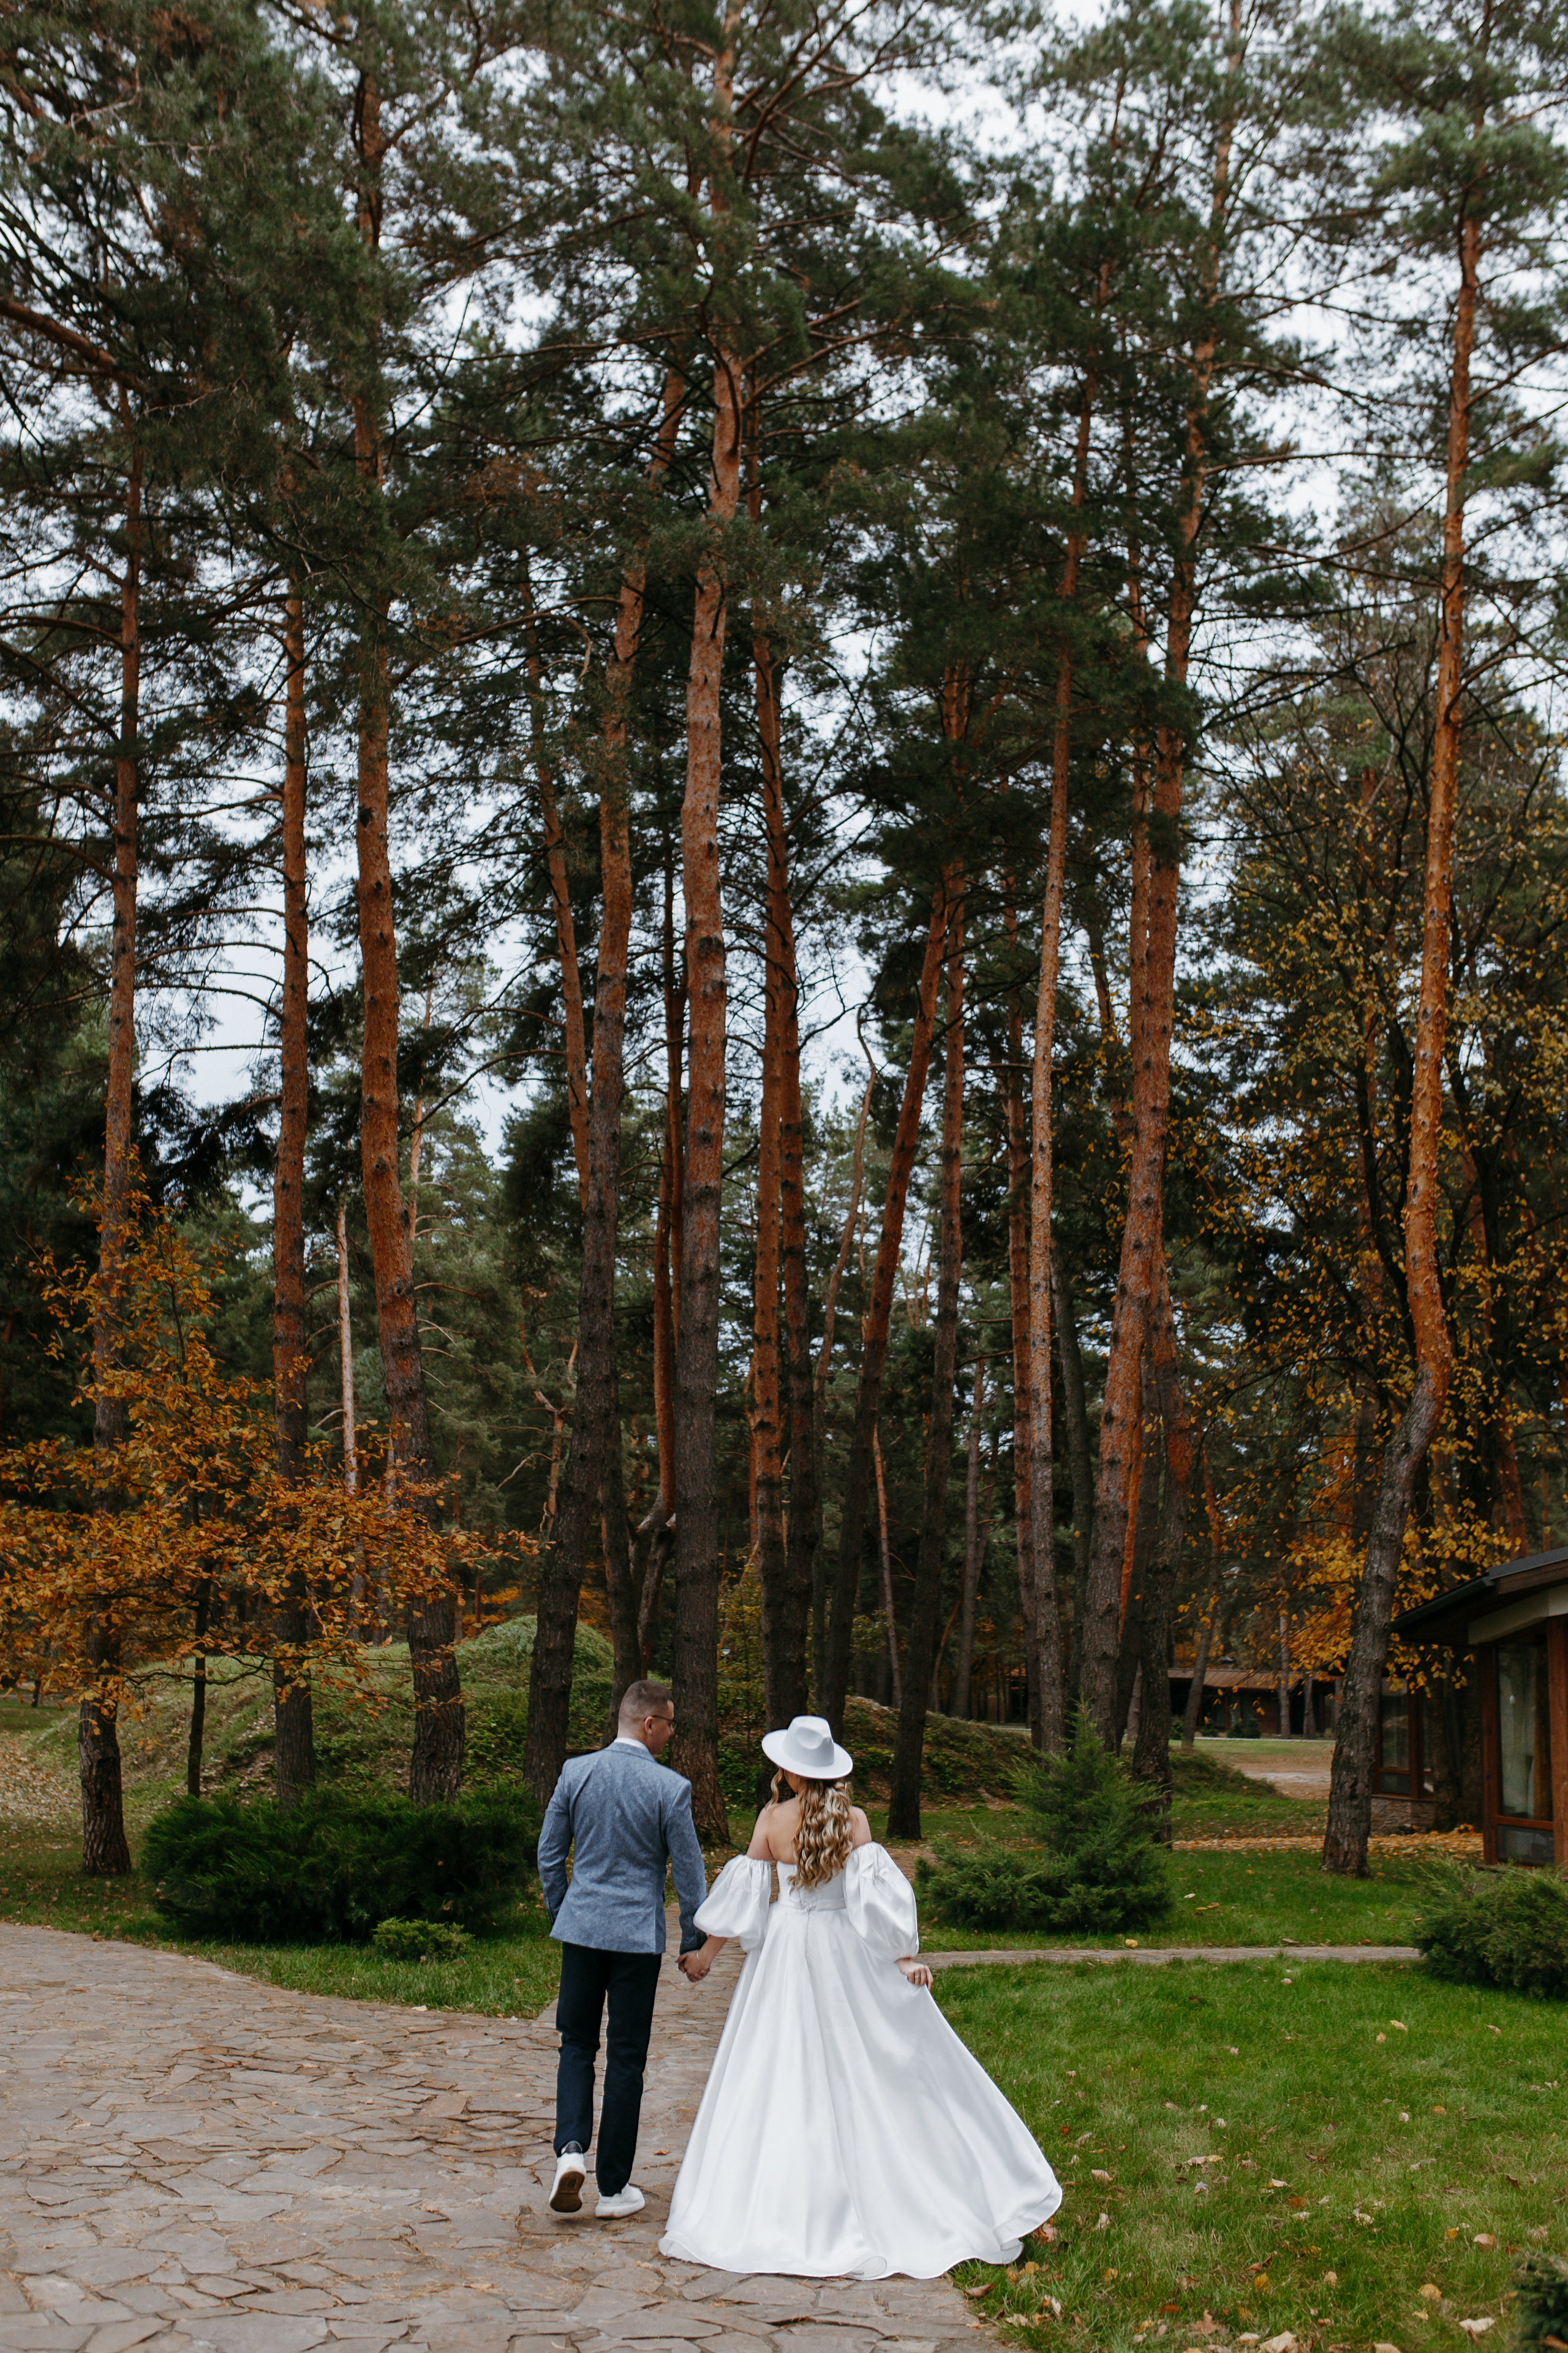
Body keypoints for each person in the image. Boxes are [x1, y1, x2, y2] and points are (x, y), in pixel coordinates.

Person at [660, 1713, 1061, 2279]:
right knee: (863, 2060)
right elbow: (872, 1900)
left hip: (787, 1951)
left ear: (789, 1770)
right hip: (843, 1945)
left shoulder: (772, 1819)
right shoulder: (854, 1820)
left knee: (779, 2065)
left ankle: (780, 2202)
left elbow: (747, 1894)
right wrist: (901, 1955)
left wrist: (706, 1955)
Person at [536, 1678, 708, 2221]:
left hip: (582, 1930)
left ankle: (569, 2152)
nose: (672, 1734)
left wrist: (564, 1910)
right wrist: (692, 1938)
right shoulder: (670, 1788)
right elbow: (689, 1871)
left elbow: (549, 1854)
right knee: (627, 2057)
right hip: (635, 1938)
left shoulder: (576, 1772)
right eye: (670, 1724)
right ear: (648, 1723)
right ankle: (612, 2188)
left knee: (576, 2044)